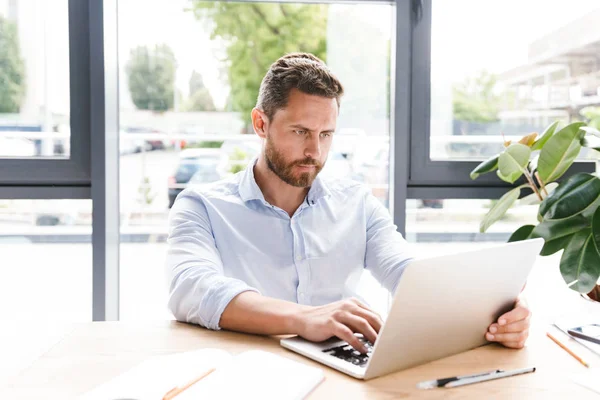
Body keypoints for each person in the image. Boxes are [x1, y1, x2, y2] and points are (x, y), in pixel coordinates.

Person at [166, 53, 531, 353]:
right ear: (260, 123)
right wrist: (302, 318)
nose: (315, 151)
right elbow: (191, 288)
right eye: (300, 132)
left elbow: (409, 274)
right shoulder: (201, 206)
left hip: (341, 373)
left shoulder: (357, 203)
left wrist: (494, 313)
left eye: (326, 135)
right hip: (249, 374)